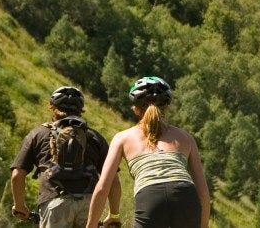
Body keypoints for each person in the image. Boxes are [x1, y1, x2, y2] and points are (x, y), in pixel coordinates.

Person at [87, 77, 210, 228]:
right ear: (166, 108)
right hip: (185, 195)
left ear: (135, 109)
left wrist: (91, 225)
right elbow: (203, 193)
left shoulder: (122, 138)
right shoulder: (185, 137)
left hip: (150, 196)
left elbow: (102, 188)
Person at [11, 86, 122, 227]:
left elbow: (17, 175)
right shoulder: (94, 137)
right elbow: (113, 180)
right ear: (81, 109)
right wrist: (113, 215)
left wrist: (19, 206)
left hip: (54, 202)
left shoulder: (38, 134)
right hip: (89, 205)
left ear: (52, 107)